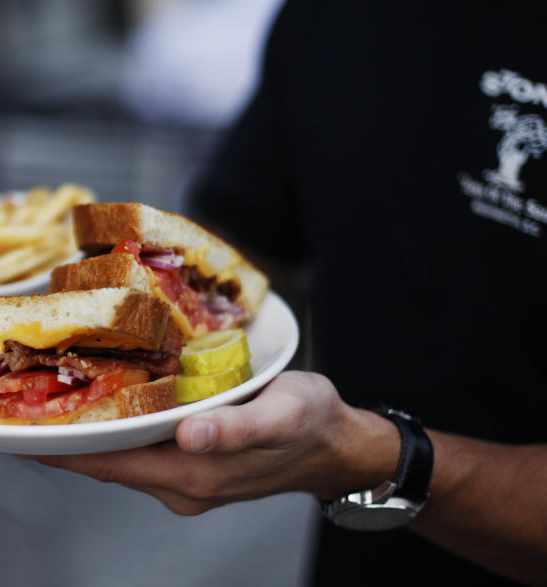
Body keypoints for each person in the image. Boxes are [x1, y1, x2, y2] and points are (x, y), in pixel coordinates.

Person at [29, 1, 547, 585]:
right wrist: (79, 303)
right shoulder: (328, 16)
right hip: (352, 554)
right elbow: (247, 234)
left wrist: (375, 460)